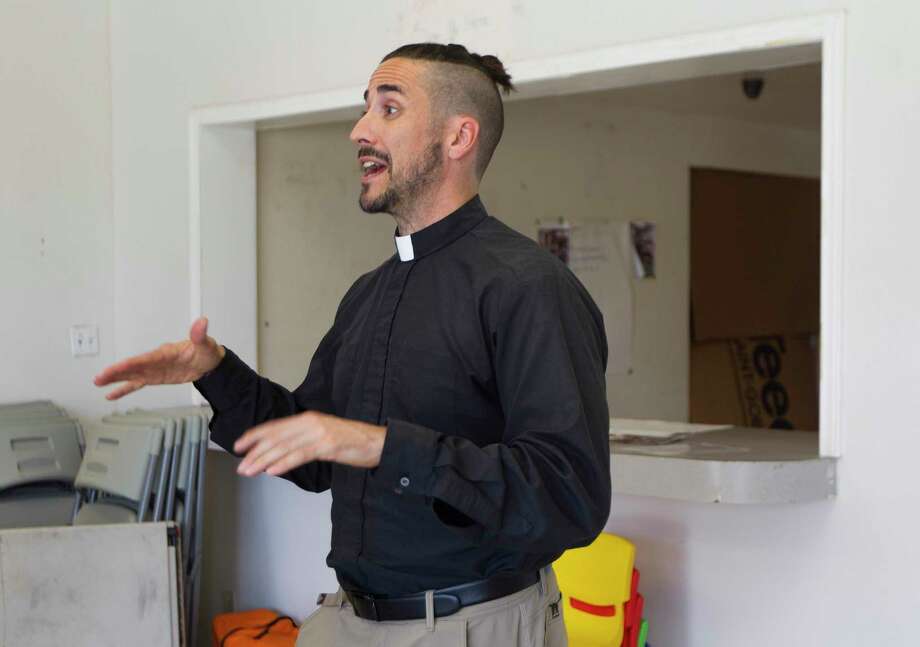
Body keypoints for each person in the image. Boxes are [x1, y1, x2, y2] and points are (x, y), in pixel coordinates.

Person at [95, 43, 611, 647]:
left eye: (388, 109)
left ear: (458, 137)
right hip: (349, 620)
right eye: (365, 109)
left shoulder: (530, 287)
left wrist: (383, 445)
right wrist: (214, 371)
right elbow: (317, 454)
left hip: (472, 625)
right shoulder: (369, 295)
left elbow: (569, 491)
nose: (359, 130)